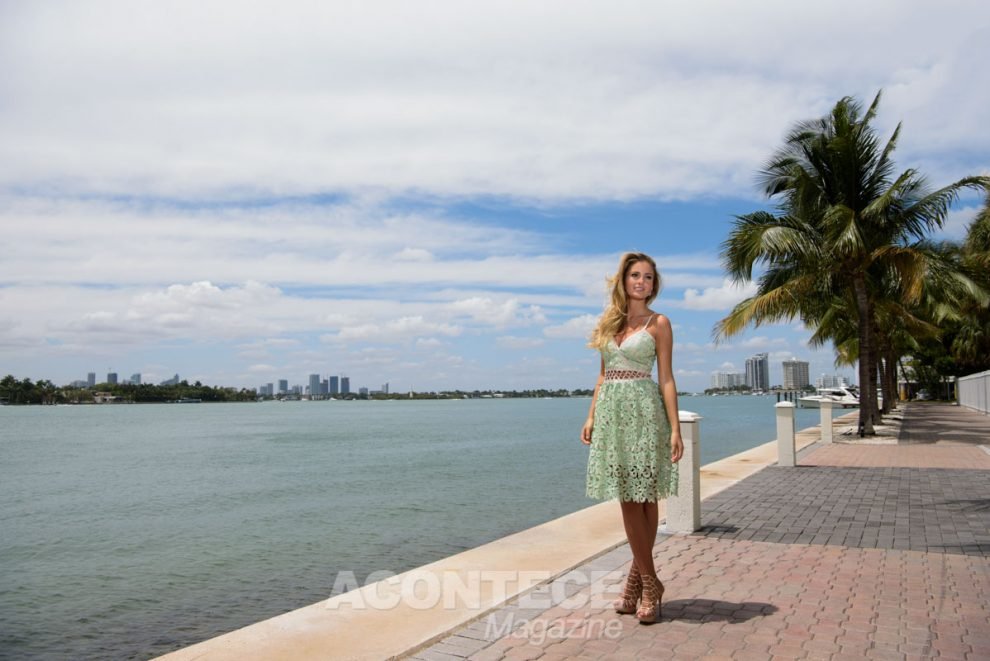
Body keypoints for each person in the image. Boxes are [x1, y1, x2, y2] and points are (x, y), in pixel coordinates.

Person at [581, 251, 683, 624]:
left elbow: (667, 378)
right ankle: (644, 580)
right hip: (611, 416)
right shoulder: (609, 323)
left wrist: (674, 427)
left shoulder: (659, 323)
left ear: (654, 285)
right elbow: (602, 375)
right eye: (636, 276)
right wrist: (591, 414)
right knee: (630, 497)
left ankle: (643, 583)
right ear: (623, 281)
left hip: (644, 412)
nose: (642, 282)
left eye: (649, 277)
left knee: (643, 497)